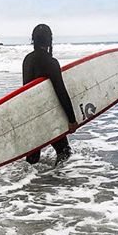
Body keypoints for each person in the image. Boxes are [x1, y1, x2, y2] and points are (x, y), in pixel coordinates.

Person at [23, 23, 78, 165]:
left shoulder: (27, 59)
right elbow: (61, 91)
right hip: (47, 115)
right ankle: (56, 183)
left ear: (33, 40)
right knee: (64, 152)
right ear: (49, 40)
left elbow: (26, 91)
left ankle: (28, 185)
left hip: (30, 116)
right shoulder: (51, 62)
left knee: (32, 161)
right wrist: (72, 120)